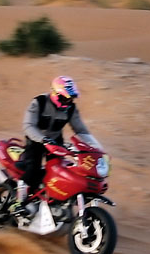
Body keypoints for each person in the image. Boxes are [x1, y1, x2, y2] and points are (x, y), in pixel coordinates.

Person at [10, 76, 100, 217]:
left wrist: (96, 148)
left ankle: (53, 201)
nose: (69, 101)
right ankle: (18, 203)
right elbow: (28, 126)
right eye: (65, 98)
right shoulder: (39, 102)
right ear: (56, 94)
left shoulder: (71, 109)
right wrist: (43, 140)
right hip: (36, 140)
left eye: (71, 99)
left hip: (55, 142)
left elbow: (81, 131)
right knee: (33, 168)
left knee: (60, 170)